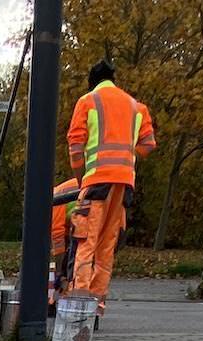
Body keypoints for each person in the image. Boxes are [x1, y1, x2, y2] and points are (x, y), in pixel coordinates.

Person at [66, 60, 156, 308]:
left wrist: (80, 179)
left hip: (96, 181)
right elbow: (148, 145)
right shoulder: (136, 106)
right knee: (107, 244)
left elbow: (75, 148)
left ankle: (79, 301)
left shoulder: (87, 102)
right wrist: (127, 153)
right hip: (124, 183)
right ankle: (97, 304)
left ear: (91, 82)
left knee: (86, 241)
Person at [49, 177, 82, 296]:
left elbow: (58, 241)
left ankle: (69, 293)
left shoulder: (54, 202)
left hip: (86, 217)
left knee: (75, 258)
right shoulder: (59, 193)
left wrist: (58, 272)